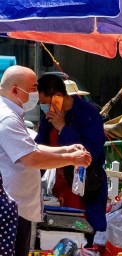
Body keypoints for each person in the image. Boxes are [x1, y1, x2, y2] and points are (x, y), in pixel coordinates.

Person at [0, 65, 91, 256]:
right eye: (32, 89)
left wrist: (66, 150)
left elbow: (32, 148)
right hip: (12, 210)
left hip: (19, 208)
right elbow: (31, 157)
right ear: (16, 91)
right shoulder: (6, 118)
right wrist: (70, 156)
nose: (36, 96)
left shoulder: (11, 116)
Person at [35, 73, 108, 234]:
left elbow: (90, 153)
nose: (44, 108)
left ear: (58, 96)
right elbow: (39, 149)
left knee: (86, 236)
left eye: (45, 103)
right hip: (61, 188)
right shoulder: (48, 117)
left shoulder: (88, 113)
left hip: (87, 187)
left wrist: (62, 128)